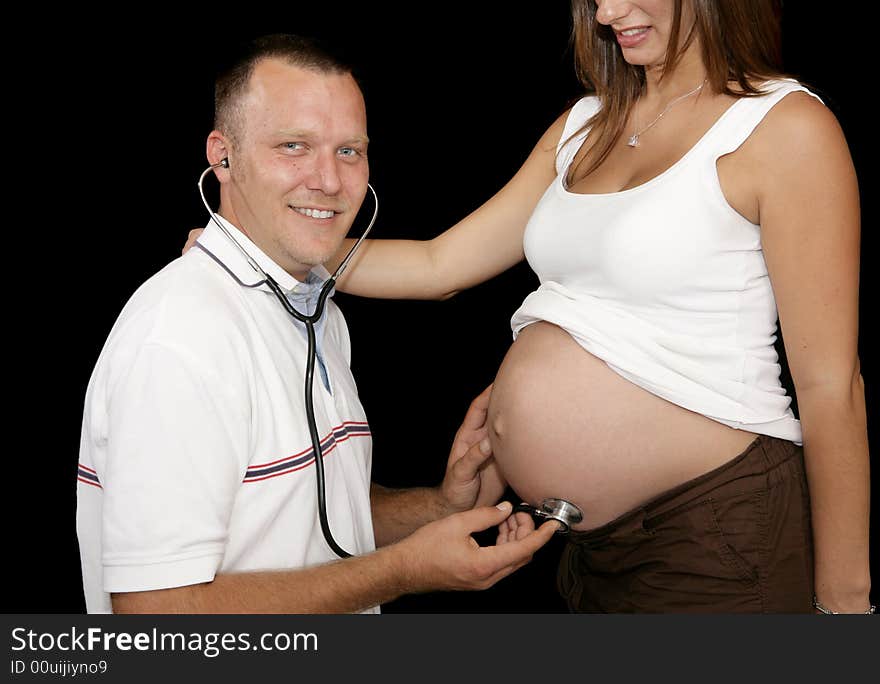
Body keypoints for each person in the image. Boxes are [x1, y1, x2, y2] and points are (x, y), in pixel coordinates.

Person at [186, 2, 871, 613]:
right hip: (589, 546)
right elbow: (440, 264)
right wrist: (264, 242)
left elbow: (829, 385)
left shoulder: (783, 128)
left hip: (718, 525)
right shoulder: (586, 122)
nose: (608, 13)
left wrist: (844, 608)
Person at [76, 34, 559, 615]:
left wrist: (439, 509)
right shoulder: (181, 338)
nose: (329, 181)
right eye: (294, 146)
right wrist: (402, 571)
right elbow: (155, 617)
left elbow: (308, 516)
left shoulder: (313, 309)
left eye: (349, 151)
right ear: (222, 156)